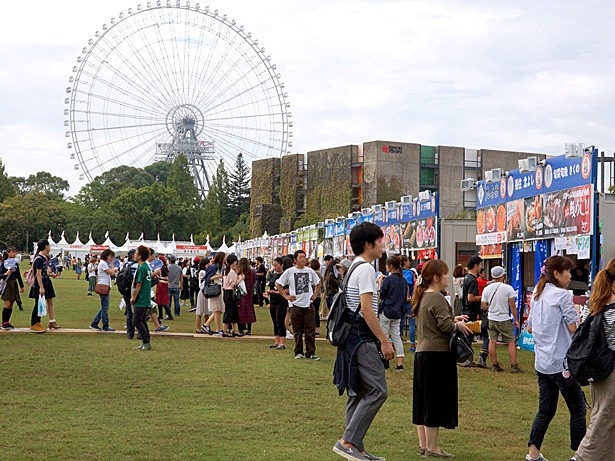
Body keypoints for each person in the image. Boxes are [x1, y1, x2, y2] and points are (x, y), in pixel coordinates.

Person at [332, 222, 395, 461]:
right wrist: (384, 341)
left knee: (357, 392)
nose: (383, 246)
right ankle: (347, 441)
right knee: (378, 390)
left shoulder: (353, 268)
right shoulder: (367, 270)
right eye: (380, 241)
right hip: (362, 338)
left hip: (350, 338)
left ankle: (356, 449)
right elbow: (367, 310)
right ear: (369, 244)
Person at [526, 256, 586, 461]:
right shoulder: (562, 295)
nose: (570, 276)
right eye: (567, 271)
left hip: (542, 362)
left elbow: (530, 326)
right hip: (562, 362)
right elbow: (573, 327)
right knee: (578, 408)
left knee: (545, 409)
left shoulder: (537, 292)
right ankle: (580, 454)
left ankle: (533, 454)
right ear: (557, 274)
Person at [412, 259, 472, 458]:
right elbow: (444, 327)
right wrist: (459, 327)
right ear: (436, 277)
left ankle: (423, 444)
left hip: (423, 354)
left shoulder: (424, 296)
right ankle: (433, 447)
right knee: (434, 402)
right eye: (445, 274)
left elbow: (434, 321)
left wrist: (453, 320)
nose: (448, 278)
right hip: (436, 356)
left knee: (422, 401)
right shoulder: (437, 297)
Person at [574, 258, 615, 461]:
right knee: (604, 419)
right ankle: (581, 458)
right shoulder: (613, 308)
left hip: (602, 370)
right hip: (611, 372)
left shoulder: (601, 303)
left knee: (604, 418)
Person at [276, 250, 321, 360]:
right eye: (300, 257)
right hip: (295, 304)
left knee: (310, 330)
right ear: (295, 260)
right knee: (297, 330)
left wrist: (314, 295)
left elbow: (318, 283)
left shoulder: (310, 271)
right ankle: (298, 351)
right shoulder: (290, 272)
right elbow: (278, 284)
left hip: (308, 304)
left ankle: (310, 352)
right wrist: (286, 296)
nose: (303, 259)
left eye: (304, 257)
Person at [480, 266, 522, 373]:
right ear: (502, 275)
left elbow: (483, 306)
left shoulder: (486, 289)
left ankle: (495, 365)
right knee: (511, 342)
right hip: (504, 318)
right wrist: (516, 319)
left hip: (491, 318)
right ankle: (513, 365)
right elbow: (512, 306)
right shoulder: (508, 288)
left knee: (492, 341)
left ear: (492, 276)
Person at [377, 255, 407, 371]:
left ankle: (385, 361)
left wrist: (380, 282)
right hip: (397, 312)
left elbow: (382, 294)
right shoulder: (403, 280)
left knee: (384, 336)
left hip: (386, 310)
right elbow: (405, 297)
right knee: (396, 336)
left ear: (390, 266)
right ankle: (400, 363)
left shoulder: (388, 280)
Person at [29, 240, 59, 332]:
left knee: (49, 301)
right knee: (38, 303)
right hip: (40, 284)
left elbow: (44, 272)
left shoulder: (45, 257)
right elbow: (38, 274)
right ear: (46, 246)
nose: (50, 247)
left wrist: (51, 275)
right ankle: (34, 324)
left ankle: (52, 321)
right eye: (49, 245)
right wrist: (41, 287)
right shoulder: (38, 258)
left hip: (46, 282)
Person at [461, 255, 484, 367]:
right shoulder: (473, 280)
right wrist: (483, 297)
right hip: (471, 312)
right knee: (468, 337)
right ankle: (467, 359)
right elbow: (470, 297)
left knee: (467, 336)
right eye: (480, 265)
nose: (481, 267)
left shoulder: (466, 277)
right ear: (475, 266)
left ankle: (467, 359)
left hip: (465, 310)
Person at [130, 245, 153, 350]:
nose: (134, 255)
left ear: (139, 256)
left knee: (136, 321)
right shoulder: (146, 267)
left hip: (141, 298)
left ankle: (146, 341)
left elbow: (139, 284)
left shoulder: (142, 267)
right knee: (142, 320)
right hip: (145, 297)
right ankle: (146, 342)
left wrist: (133, 297)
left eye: (136, 253)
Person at [90, 249, 118, 332]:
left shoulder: (103, 263)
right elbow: (112, 273)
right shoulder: (103, 263)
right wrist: (113, 265)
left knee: (103, 307)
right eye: (111, 257)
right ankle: (105, 326)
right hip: (103, 286)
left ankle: (94, 323)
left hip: (105, 285)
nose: (111, 258)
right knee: (105, 308)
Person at [266, 257, 289, 349]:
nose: (274, 267)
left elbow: (287, 290)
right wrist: (268, 291)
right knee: (275, 321)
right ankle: (277, 341)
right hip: (273, 301)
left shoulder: (284, 276)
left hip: (281, 301)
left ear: (282, 265)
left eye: (276, 265)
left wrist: (276, 292)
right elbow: (271, 286)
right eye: (273, 265)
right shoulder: (274, 275)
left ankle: (283, 342)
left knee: (280, 321)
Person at [201, 252, 226, 336]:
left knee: (218, 310)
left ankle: (207, 325)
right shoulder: (213, 267)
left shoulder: (220, 266)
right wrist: (218, 276)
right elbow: (207, 279)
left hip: (219, 288)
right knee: (217, 309)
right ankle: (217, 329)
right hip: (215, 289)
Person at [1, 246, 24, 330]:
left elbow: (18, 275)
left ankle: (7, 322)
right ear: (8, 252)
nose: (14, 254)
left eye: (15, 252)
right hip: (7, 284)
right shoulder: (4, 263)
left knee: (11, 304)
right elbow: (0, 274)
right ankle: (3, 323)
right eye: (12, 252)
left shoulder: (15, 263)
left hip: (14, 284)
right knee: (7, 304)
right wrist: (5, 274)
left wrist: (21, 286)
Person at [222, 254, 245, 337]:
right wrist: (240, 279)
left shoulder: (226, 271)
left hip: (227, 292)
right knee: (229, 311)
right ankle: (224, 330)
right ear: (235, 262)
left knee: (234, 312)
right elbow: (233, 285)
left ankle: (235, 330)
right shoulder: (231, 272)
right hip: (229, 292)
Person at [400, 254, 416, 351]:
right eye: (408, 261)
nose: (409, 263)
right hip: (409, 301)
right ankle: (412, 345)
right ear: (405, 262)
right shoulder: (409, 273)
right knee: (411, 322)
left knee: (399, 322)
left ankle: (395, 342)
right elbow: (408, 283)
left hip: (400, 301)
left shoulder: (398, 273)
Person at [237, 257, 257, 335]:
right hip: (249, 294)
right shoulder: (252, 272)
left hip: (241, 294)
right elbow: (254, 281)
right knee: (249, 311)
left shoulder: (239, 272)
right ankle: (249, 329)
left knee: (241, 311)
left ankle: (241, 328)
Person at [195, 258, 210, 334]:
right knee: (200, 311)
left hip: (206, 292)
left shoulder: (203, 272)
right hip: (203, 292)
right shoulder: (202, 272)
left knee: (206, 311)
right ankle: (198, 328)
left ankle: (206, 327)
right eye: (207, 264)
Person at [309, 259, 324, 336]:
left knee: (312, 313)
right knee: (316, 312)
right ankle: (316, 329)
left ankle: (314, 329)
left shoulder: (313, 274)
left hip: (313, 295)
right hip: (318, 296)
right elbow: (322, 286)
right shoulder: (320, 274)